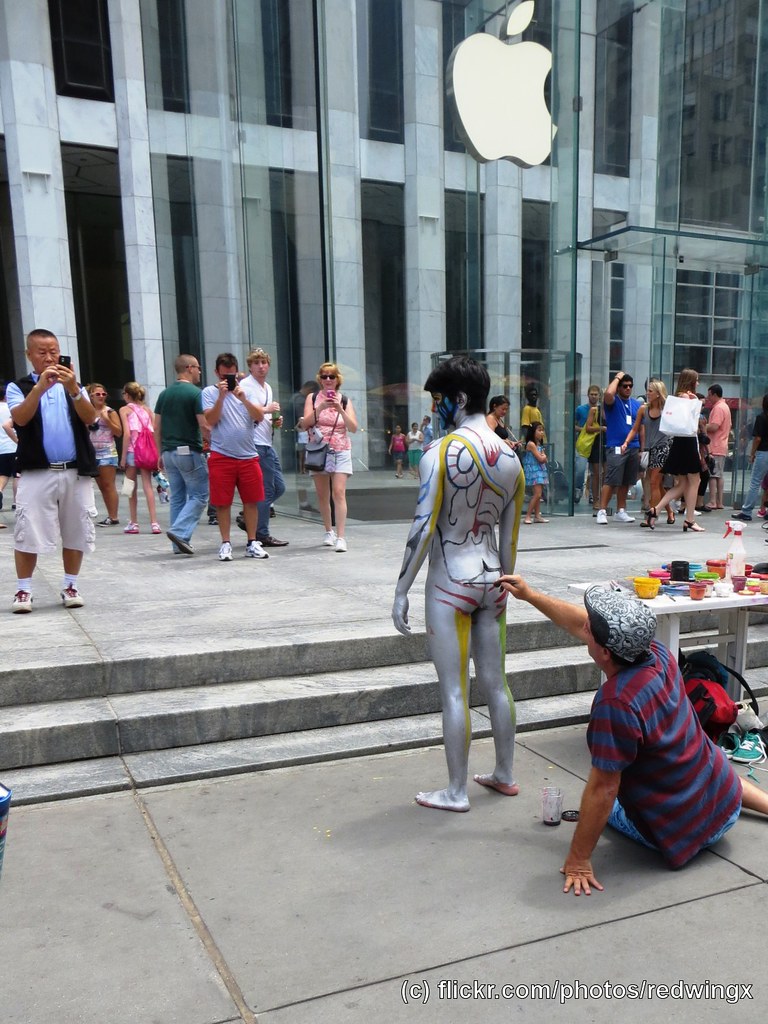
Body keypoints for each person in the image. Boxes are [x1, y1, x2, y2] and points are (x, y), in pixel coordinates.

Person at [495, 575, 768, 895]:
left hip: (682, 831)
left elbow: (604, 789)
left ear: (606, 652)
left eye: (590, 629)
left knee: (597, 801)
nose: (585, 628)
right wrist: (530, 596)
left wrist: (578, 860)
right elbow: (584, 624)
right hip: (725, 802)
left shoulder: (617, 703)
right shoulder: (658, 653)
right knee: (704, 757)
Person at [392, 355, 525, 812]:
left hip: (450, 581)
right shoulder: (512, 458)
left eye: (439, 399)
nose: (435, 408)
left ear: (459, 399)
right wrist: (508, 582)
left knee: (455, 690)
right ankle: (505, 772)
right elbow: (509, 535)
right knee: (496, 682)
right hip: (492, 578)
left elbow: (424, 525)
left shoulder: (440, 453)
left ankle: (455, 791)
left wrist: (401, 588)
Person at [6, 329, 99, 611]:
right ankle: (24, 590)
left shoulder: (74, 386)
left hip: (74, 471)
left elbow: (90, 417)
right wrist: (39, 389)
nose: (49, 358)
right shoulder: (18, 387)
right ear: (29, 355)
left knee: (76, 530)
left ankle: (70, 585)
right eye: (42, 352)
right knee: (27, 530)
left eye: (54, 352)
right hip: (37, 471)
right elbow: (20, 418)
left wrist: (73, 389)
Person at [202, 353, 268, 560]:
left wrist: (243, 399)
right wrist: (222, 397)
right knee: (223, 502)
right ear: (216, 373)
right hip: (222, 455)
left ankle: (251, 542)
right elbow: (210, 420)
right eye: (224, 376)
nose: (228, 381)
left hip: (248, 455)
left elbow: (259, 416)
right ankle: (226, 543)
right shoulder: (208, 393)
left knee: (252, 500)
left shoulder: (246, 390)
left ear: (237, 373)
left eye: (231, 376)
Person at [297, 362, 358, 552]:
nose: (328, 380)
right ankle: (328, 531)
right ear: (320, 379)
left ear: (337, 379)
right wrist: (321, 407)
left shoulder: (345, 401)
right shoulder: (313, 398)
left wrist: (339, 409)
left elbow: (354, 428)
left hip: (340, 449)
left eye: (332, 376)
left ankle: (341, 536)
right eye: (324, 376)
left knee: (338, 492)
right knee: (322, 494)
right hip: (319, 450)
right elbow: (305, 423)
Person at [154, 354, 208, 555]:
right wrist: (212, 439)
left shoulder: (164, 394)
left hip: (168, 453)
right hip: (188, 451)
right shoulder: (195, 393)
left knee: (177, 497)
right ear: (189, 368)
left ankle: (178, 544)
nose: (200, 372)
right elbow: (203, 424)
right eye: (198, 367)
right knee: (200, 495)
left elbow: (156, 427)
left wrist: (160, 452)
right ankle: (179, 531)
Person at [240, 348, 289, 547]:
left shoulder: (267, 387)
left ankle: (250, 517)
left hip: (267, 442)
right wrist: (266, 410)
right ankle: (261, 533)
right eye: (256, 363)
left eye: (264, 362)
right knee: (266, 490)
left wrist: (274, 420)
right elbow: (247, 412)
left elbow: (264, 415)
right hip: (254, 443)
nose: (261, 366)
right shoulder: (246, 386)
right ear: (250, 366)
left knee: (279, 487)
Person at [647, 368, 705, 533]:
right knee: (695, 481)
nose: (698, 383)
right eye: (697, 380)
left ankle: (656, 510)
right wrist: (696, 404)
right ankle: (690, 520)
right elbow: (690, 422)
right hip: (686, 442)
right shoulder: (686, 396)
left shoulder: (679, 395)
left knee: (683, 483)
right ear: (691, 381)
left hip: (680, 442)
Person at [623, 379, 673, 527]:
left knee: (653, 483)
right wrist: (626, 442)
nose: (647, 393)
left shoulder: (667, 409)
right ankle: (669, 511)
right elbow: (635, 428)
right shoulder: (643, 409)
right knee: (657, 484)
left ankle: (651, 516)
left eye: (650, 391)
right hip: (649, 450)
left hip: (663, 448)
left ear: (658, 394)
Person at [595, 371, 641, 525]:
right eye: (624, 386)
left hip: (633, 446)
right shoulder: (613, 402)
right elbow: (608, 393)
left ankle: (621, 510)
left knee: (626, 481)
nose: (628, 388)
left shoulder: (636, 404)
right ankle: (602, 510)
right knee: (612, 479)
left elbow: (640, 427)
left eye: (630, 386)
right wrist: (617, 377)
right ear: (619, 387)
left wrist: (642, 447)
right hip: (615, 445)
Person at [119, 382, 161, 535]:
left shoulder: (124, 410)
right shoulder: (147, 410)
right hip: (146, 451)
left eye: (124, 394)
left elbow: (127, 434)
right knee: (147, 485)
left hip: (132, 450)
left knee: (130, 486)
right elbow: (154, 431)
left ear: (128, 395)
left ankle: (134, 522)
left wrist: (123, 457)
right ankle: (154, 522)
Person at [85, 383, 122, 526]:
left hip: (107, 451)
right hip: (92, 452)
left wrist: (106, 420)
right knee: (101, 486)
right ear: (91, 396)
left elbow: (118, 432)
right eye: (97, 394)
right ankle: (110, 515)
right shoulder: (87, 411)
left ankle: (114, 516)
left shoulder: (110, 412)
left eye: (103, 394)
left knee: (108, 485)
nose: (101, 396)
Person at [732, 392, 768, 522]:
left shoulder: (761, 418)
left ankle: (746, 511)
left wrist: (752, 453)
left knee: (755, 482)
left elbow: (758, 438)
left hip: (764, 452)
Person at [705, 384, 731, 511]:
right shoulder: (724, 406)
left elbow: (714, 426)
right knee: (719, 475)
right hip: (722, 445)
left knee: (713, 475)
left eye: (709, 395)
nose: (708, 398)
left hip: (715, 445)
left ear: (715, 395)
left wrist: (701, 426)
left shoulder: (719, 408)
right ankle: (720, 502)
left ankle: (713, 501)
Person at [574, 385, 600, 503]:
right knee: (580, 469)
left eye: (596, 394)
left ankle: (592, 494)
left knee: (594, 471)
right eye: (592, 394)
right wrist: (584, 430)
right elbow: (572, 425)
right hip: (584, 443)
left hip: (596, 443)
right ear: (588, 395)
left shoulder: (601, 410)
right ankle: (578, 489)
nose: (594, 396)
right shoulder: (580, 409)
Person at [584, 389, 606, 513]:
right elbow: (588, 427)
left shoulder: (610, 410)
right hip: (596, 443)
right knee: (596, 473)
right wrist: (601, 428)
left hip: (608, 443)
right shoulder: (594, 410)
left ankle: (603, 498)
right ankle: (596, 499)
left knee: (606, 473)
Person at [521, 422, 549, 524]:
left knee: (539, 494)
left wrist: (543, 457)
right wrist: (543, 457)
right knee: (537, 494)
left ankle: (537, 515)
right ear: (533, 432)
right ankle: (528, 516)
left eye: (542, 430)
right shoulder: (531, 444)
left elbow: (544, 458)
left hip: (539, 470)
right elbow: (541, 458)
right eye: (539, 430)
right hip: (534, 471)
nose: (542, 432)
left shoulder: (539, 444)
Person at [0, 382, 18, 520]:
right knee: (17, 475)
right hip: (14, 446)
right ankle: (16, 501)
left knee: (3, 474)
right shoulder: (11, 408)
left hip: (1, 448)